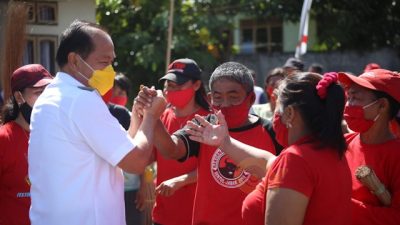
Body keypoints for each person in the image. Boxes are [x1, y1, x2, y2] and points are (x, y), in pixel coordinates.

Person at [28, 20, 166, 225]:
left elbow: (119, 149)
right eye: (104, 62)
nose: (110, 70)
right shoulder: (80, 99)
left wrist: (137, 116)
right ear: (75, 60)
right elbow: (135, 162)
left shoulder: (55, 95)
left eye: (112, 62)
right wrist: (152, 117)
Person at [187, 72, 352, 225]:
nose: (274, 115)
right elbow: (269, 163)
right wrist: (226, 143)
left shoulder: (295, 160)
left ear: (289, 114)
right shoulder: (329, 151)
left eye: (277, 107)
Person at [134, 62, 280, 225]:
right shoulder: (204, 126)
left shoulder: (272, 132)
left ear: (251, 98)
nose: (225, 104)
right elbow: (171, 150)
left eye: (233, 97)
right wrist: (153, 116)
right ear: (210, 98)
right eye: (218, 98)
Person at [145, 58, 210, 225]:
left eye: (178, 85)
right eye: (169, 85)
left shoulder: (209, 121)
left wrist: (181, 180)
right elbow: (149, 156)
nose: (171, 90)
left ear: (196, 85)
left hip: (197, 215)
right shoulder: (161, 116)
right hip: (163, 213)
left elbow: (213, 167)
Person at [338, 69, 400, 225]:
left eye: (356, 98)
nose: (348, 106)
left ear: (382, 106)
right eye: (348, 98)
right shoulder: (342, 144)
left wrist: (341, 205)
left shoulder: (396, 155)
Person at [0, 64, 53, 225]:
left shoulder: (59, 135)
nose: (46, 99)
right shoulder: (4, 139)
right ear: (19, 97)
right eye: (38, 93)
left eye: (49, 92)